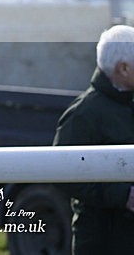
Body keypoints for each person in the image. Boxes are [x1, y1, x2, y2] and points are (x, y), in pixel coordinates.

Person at [53, 24, 134, 254]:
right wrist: (122, 195)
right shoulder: (83, 114)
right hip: (103, 242)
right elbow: (62, 173)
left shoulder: (129, 103)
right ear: (124, 68)